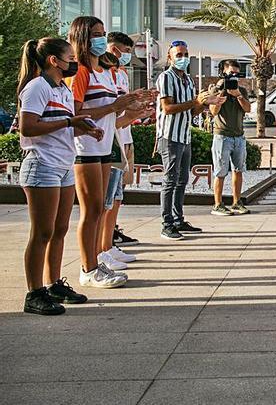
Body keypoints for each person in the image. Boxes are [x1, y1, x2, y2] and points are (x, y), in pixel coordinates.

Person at [17, 37, 104, 314]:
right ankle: (34, 293)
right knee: (42, 232)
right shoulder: (36, 88)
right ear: (54, 60)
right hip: (42, 165)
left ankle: (53, 283)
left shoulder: (62, 90)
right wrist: (70, 121)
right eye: (69, 58)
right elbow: (28, 128)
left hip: (63, 166)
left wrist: (83, 129)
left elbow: (60, 127)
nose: (73, 63)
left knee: (59, 229)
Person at [67, 16, 139, 288]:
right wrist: (113, 107)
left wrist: (131, 106)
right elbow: (74, 113)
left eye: (103, 33)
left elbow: (114, 114)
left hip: (103, 146)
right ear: (83, 37)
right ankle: (88, 268)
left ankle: (96, 260)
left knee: (100, 209)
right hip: (85, 148)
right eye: (96, 34)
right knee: (91, 210)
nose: (101, 39)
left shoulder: (102, 72)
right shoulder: (81, 72)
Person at [156, 40, 221, 240]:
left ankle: (178, 219)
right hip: (170, 136)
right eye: (179, 55)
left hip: (184, 135)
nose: (183, 59)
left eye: (185, 55)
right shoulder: (166, 78)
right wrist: (195, 101)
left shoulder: (188, 80)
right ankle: (166, 223)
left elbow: (192, 110)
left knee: (182, 180)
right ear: (170, 58)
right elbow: (167, 108)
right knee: (170, 180)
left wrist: (206, 102)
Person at [97, 33, 150, 272]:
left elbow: (122, 110)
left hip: (122, 139)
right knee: (104, 203)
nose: (121, 56)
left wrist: (138, 106)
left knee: (116, 197)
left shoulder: (120, 74)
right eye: (117, 50)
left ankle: (108, 245)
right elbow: (105, 113)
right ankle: (99, 251)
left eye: (125, 51)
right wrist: (126, 112)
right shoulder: (96, 74)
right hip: (107, 143)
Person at [208, 59, 252, 216]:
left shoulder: (241, 90)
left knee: (238, 170)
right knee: (220, 172)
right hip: (222, 136)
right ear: (223, 73)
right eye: (230, 73)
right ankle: (218, 204)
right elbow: (213, 111)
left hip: (239, 137)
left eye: (236, 73)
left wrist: (238, 95)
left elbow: (248, 109)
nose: (234, 76)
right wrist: (221, 93)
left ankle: (236, 202)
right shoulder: (216, 89)